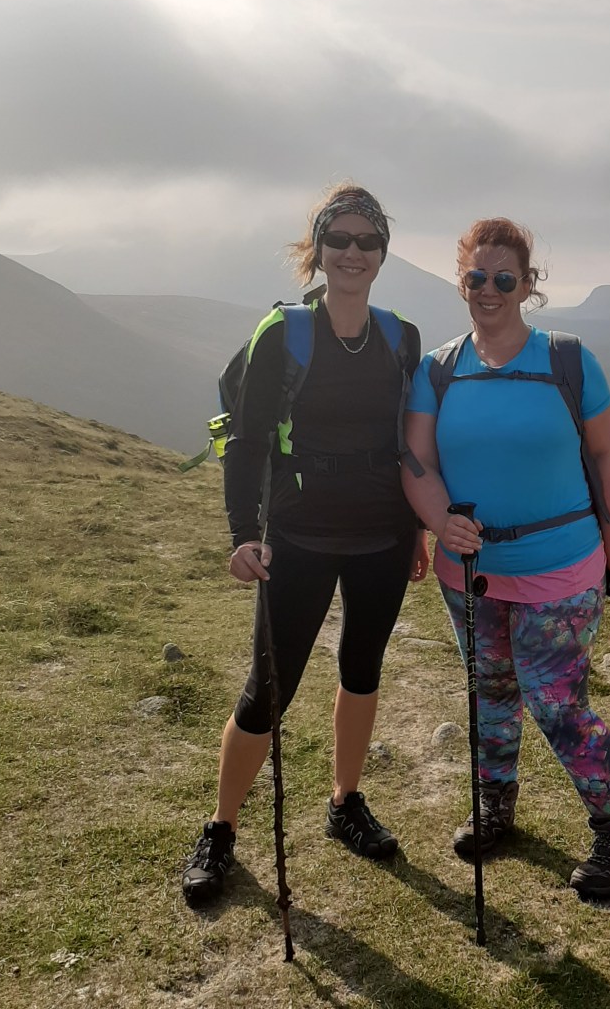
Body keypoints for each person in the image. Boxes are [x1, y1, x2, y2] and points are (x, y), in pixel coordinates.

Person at [182, 183, 430, 905]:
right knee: (269, 688)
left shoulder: (401, 338)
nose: (353, 252)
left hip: (383, 534)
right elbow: (247, 439)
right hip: (299, 533)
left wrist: (418, 530)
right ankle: (221, 829)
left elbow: (410, 443)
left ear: (382, 252)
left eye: (367, 241)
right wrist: (243, 534)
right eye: (339, 239)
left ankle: (344, 802)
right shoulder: (284, 334)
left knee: (363, 668)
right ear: (317, 249)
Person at [401, 217, 610, 899]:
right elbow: (416, 461)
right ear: (461, 282)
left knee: (558, 705)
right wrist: (439, 521)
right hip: (471, 575)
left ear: (526, 283)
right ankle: (496, 806)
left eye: (504, 278)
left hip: (562, 567)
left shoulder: (568, 360)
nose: (489, 289)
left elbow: (607, 454)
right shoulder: (438, 370)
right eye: (476, 277)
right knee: (491, 692)